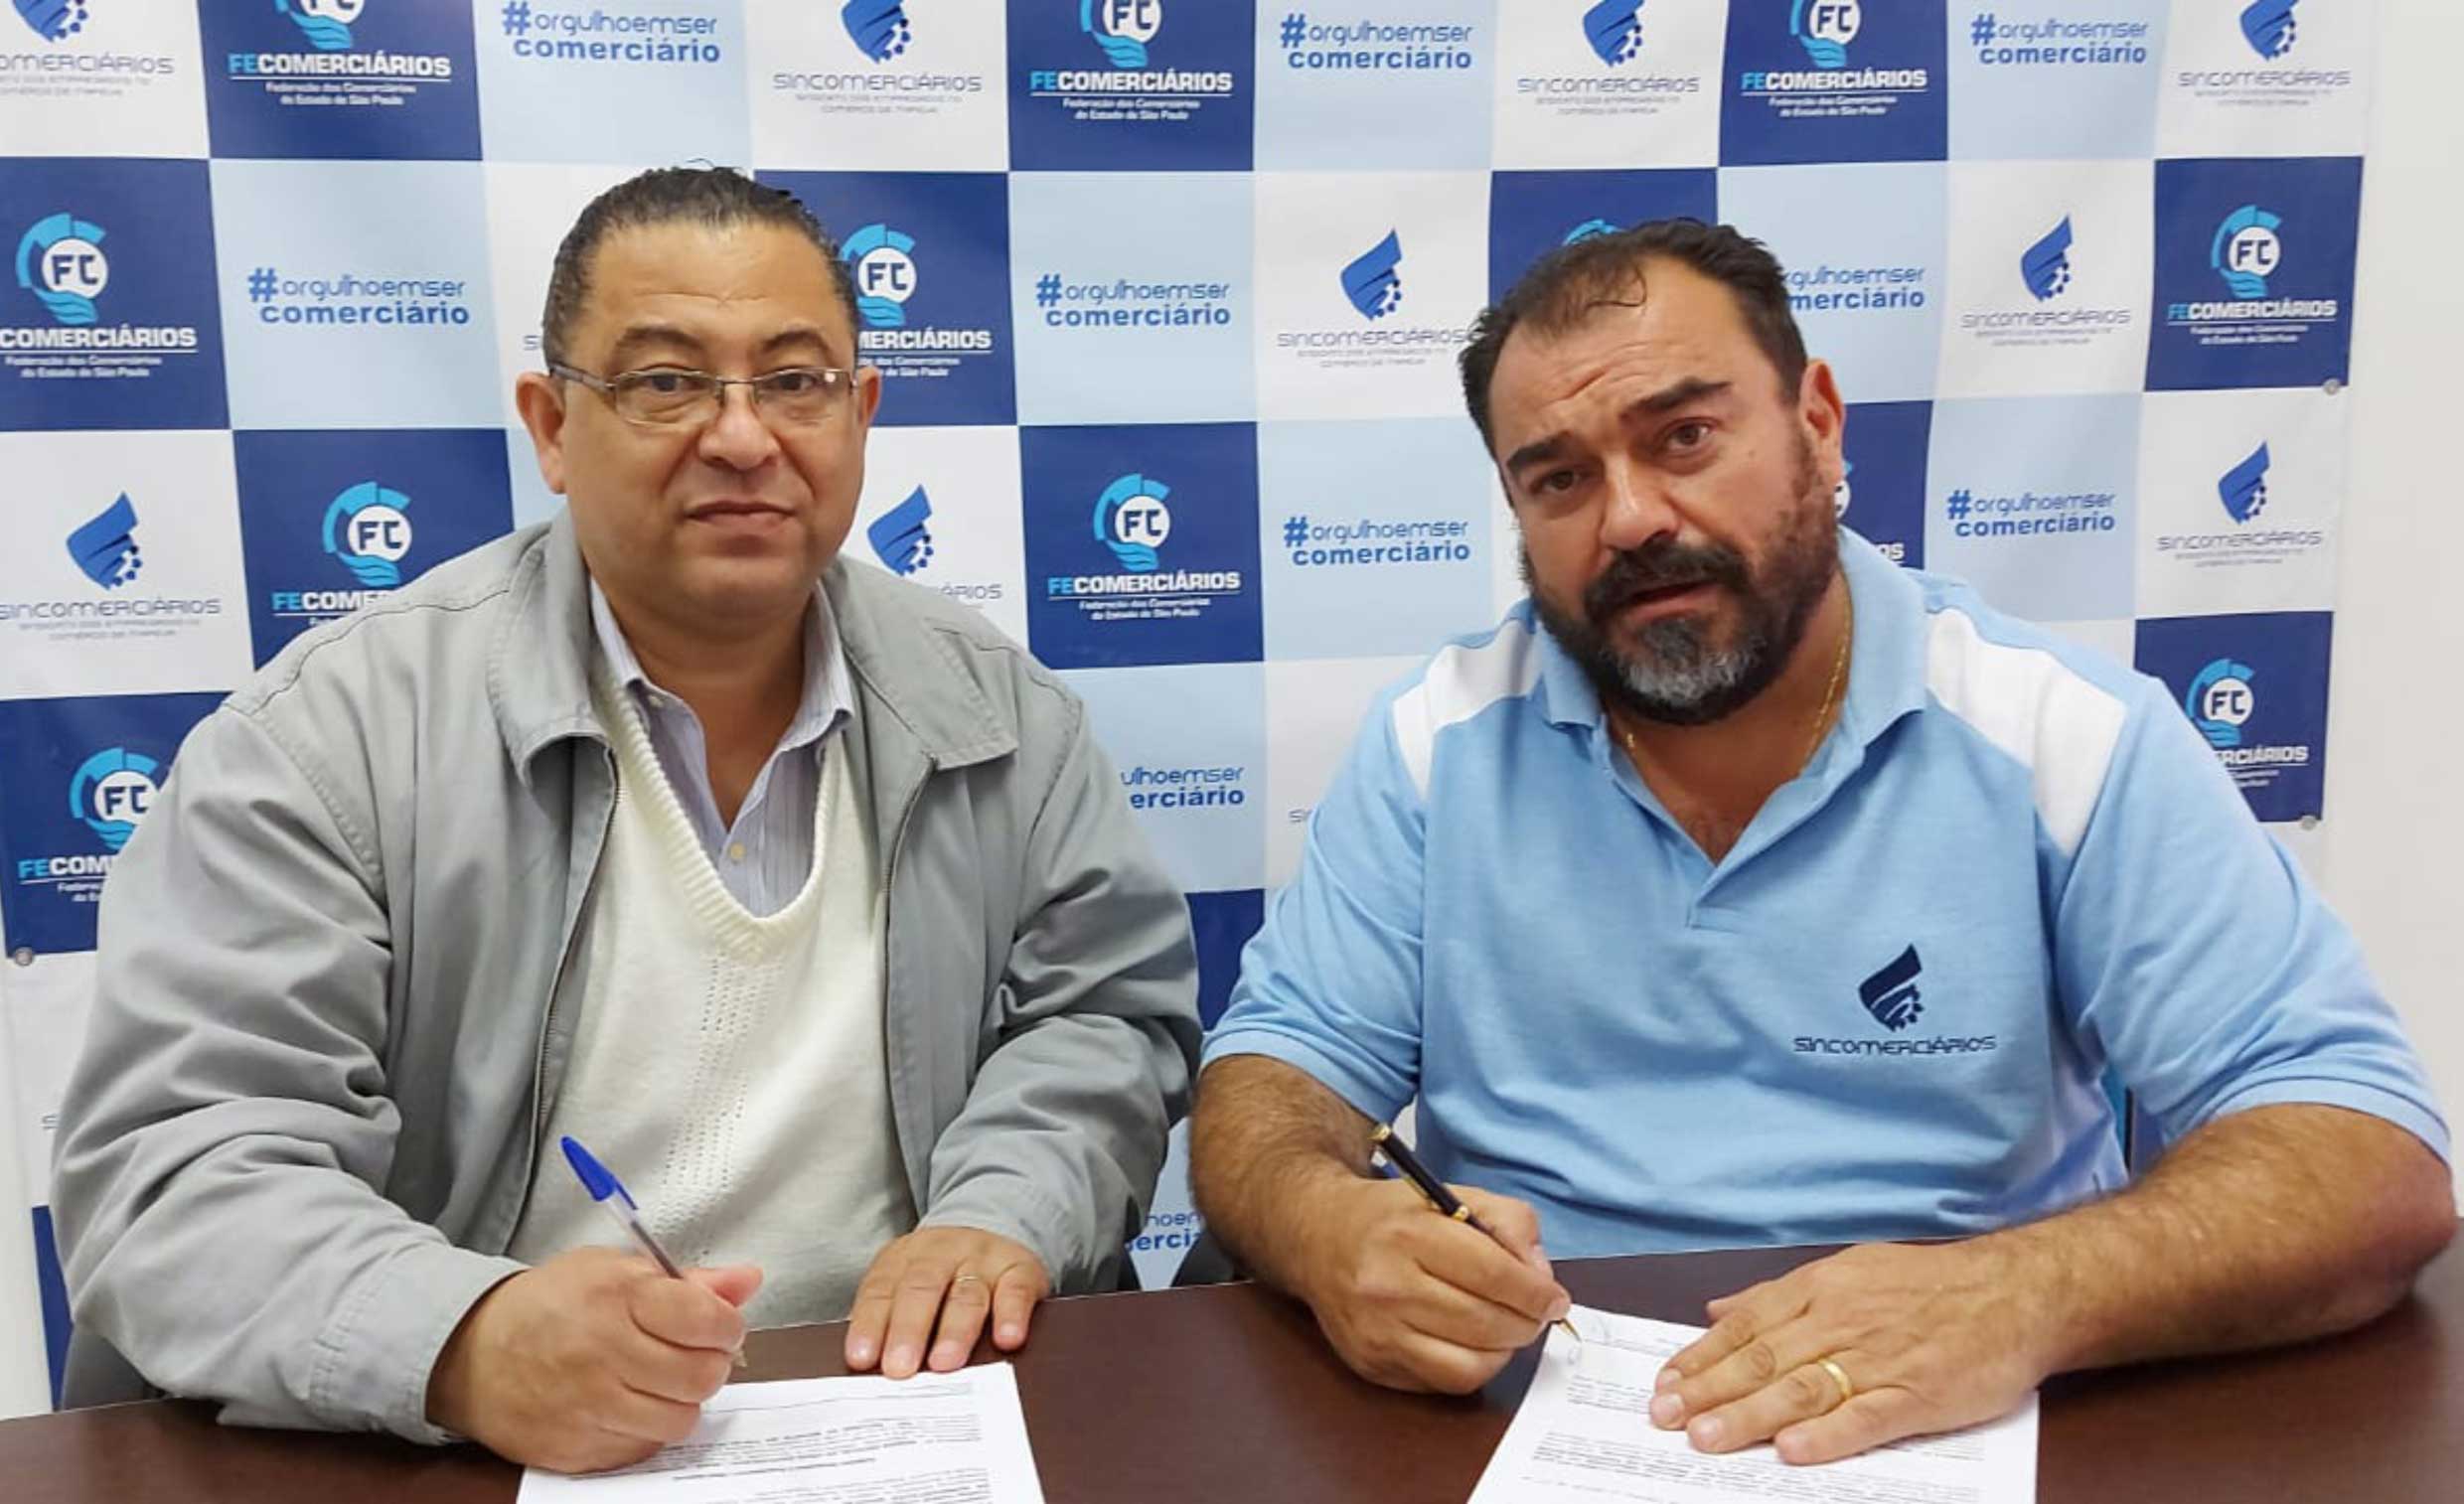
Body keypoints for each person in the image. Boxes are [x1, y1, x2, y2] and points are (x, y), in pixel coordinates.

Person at [1189, 220, 2453, 1466]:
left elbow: (2367, 1157)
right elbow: (1271, 1080)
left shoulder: (2054, 732)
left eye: (1683, 436)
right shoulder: (1437, 739)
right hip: (1545, 1414)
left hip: (1957, 1414)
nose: (1630, 517)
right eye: (1558, 478)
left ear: (1818, 421)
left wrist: (2020, 1292)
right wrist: (1331, 1225)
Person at [50, 168, 1200, 1472]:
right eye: (665, 381)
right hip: (469, 1448)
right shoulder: (333, 737)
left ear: (862, 412)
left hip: (898, 1413)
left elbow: (1104, 1017)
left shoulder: (994, 709)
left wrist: (1002, 1208)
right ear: (552, 426)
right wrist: (463, 1336)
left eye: (795, 381)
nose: (743, 436)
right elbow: (179, 1166)